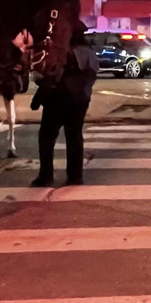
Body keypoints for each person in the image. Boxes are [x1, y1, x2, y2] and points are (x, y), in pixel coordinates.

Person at [31, 32, 99, 187]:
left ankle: (46, 175)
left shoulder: (61, 51)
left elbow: (49, 74)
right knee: (74, 136)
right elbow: (93, 74)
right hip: (80, 99)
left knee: (47, 137)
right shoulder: (88, 52)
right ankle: (75, 176)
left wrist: (41, 91)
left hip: (57, 98)